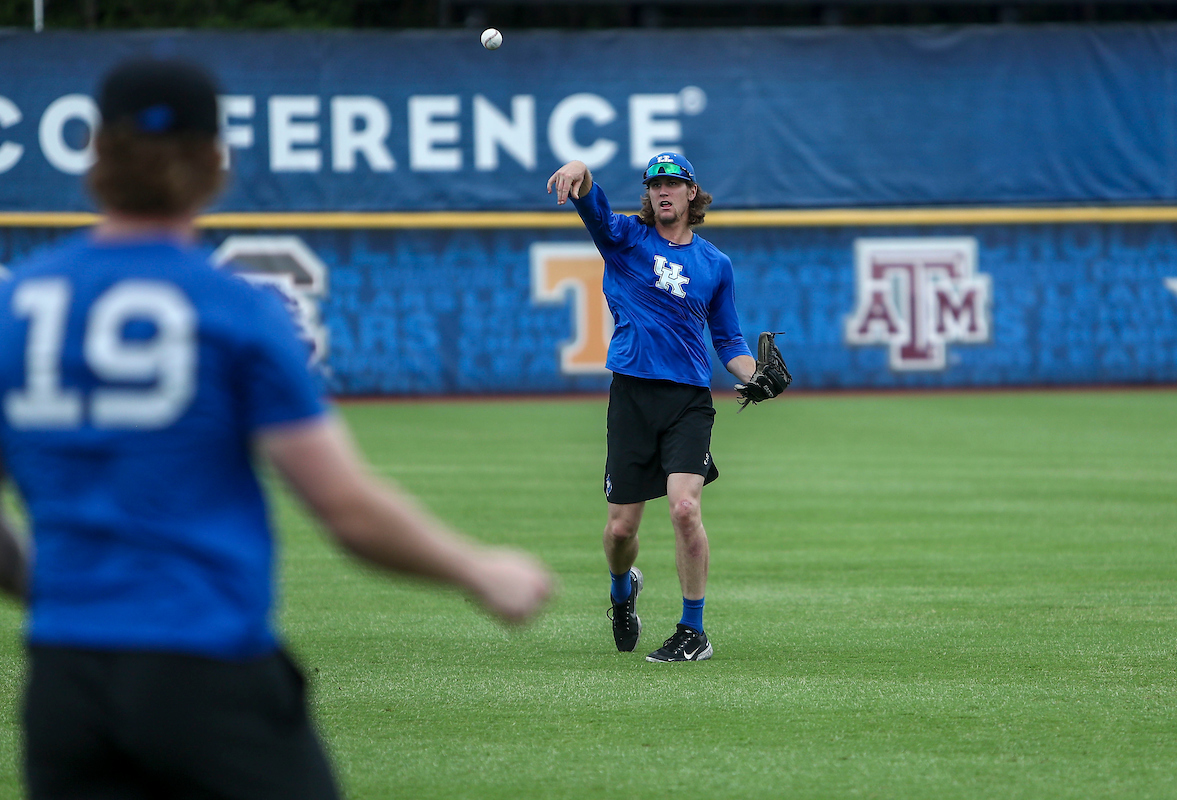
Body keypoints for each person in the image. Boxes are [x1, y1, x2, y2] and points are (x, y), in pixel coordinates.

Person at [0, 58, 553, 800]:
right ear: (213, 163)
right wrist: (479, 570)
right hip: (205, 672)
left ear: (94, 155)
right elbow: (346, 510)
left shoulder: (20, 306)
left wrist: (42, 583)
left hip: (65, 680)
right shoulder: (232, 311)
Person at [546, 153, 758, 663]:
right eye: (655, 183)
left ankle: (694, 630)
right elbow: (592, 206)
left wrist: (758, 377)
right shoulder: (624, 240)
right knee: (621, 530)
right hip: (632, 398)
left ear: (691, 194)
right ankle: (622, 590)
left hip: (687, 401)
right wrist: (580, 166)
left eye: (673, 182)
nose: (663, 190)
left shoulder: (715, 264)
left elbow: (729, 341)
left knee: (685, 508)